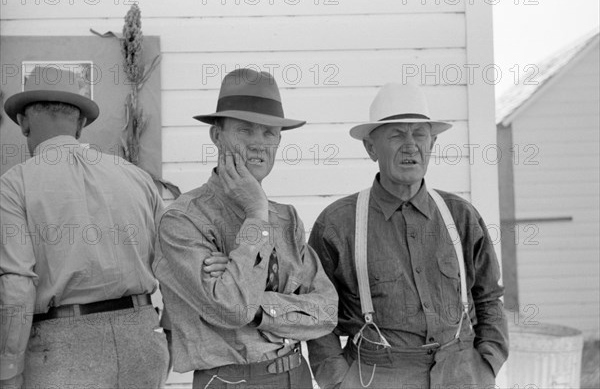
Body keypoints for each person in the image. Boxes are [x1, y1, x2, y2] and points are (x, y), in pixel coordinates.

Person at [307, 83, 509, 389]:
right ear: (371, 148)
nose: (410, 145)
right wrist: (338, 381)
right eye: (396, 134)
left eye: (419, 134)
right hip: (376, 376)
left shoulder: (461, 216)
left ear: (433, 142)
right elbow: (315, 313)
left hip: (461, 374)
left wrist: (487, 363)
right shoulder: (338, 224)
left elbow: (489, 297)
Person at [153, 68, 338, 389]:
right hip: (229, 380)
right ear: (216, 135)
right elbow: (234, 309)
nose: (258, 144)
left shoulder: (287, 218)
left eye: (269, 133)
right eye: (245, 130)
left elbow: (326, 312)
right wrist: (255, 214)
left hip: (296, 375)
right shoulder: (183, 220)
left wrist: (258, 305)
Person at [0, 66, 169, 388]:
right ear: (80, 125)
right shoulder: (136, 177)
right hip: (143, 342)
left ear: (23, 122)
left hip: (61, 353)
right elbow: (174, 264)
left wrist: (8, 368)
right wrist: (169, 334)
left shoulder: (14, 185)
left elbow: (17, 287)